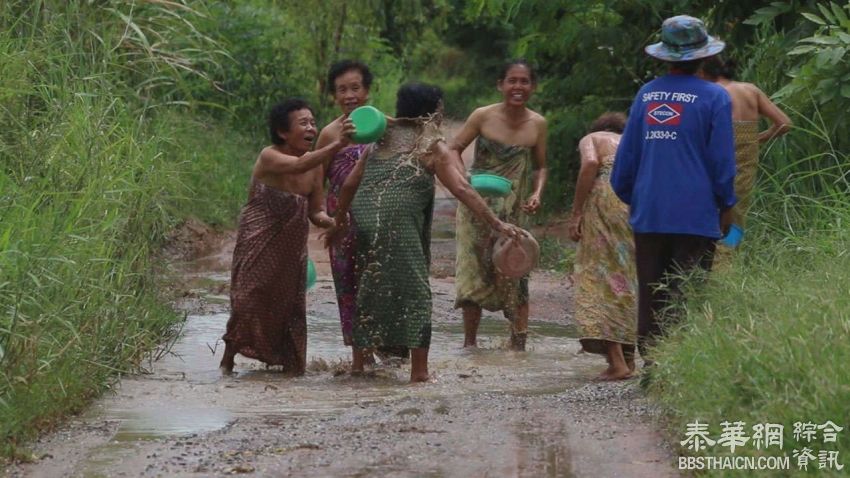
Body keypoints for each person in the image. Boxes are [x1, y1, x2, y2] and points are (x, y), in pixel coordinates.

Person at [327, 83, 520, 382]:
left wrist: (339, 221)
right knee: (416, 293)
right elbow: (461, 188)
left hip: (365, 219)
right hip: (398, 223)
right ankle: (420, 372)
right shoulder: (431, 143)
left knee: (369, 285)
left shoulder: (379, 139)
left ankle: (358, 366)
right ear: (434, 112)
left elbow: (351, 183)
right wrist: (496, 222)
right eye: (441, 108)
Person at [610, 15, 736, 362]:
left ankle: (651, 363)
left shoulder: (647, 95)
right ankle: (680, 364)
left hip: (649, 212)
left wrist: (637, 200)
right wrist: (726, 205)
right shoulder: (715, 98)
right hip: (696, 215)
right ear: (704, 56)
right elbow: (722, 162)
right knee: (687, 291)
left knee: (652, 291)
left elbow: (625, 163)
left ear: (664, 57)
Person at [219, 98, 355, 375]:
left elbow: (315, 211)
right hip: (257, 240)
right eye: (303, 123)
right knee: (248, 298)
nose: (311, 128)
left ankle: (291, 368)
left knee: (290, 307)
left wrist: (332, 222)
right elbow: (295, 167)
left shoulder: (316, 167)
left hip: (291, 248)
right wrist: (337, 145)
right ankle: (228, 360)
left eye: (313, 123)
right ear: (283, 132)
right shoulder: (269, 156)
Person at [448, 59, 548, 351]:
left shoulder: (538, 124)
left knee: (516, 271)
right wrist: (463, 179)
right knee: (473, 272)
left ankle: (518, 346)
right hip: (476, 208)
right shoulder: (482, 116)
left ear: (533, 86)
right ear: (501, 85)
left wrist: (537, 193)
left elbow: (541, 167)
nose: (518, 87)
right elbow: (454, 149)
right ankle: (469, 346)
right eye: (512, 81)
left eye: (524, 81)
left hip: (513, 210)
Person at [567, 112, 637, 380]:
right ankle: (630, 360)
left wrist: (576, 212)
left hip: (605, 201)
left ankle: (616, 362)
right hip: (633, 205)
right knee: (627, 278)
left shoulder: (592, 138)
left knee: (600, 276)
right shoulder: (631, 142)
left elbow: (590, 163)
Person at [315, 60, 374, 349]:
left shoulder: (382, 126)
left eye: (355, 88)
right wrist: (321, 217)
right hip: (343, 225)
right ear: (334, 96)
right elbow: (317, 179)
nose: (349, 95)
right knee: (348, 289)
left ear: (367, 92)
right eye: (342, 90)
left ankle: (389, 350)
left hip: (379, 221)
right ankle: (359, 359)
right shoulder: (328, 134)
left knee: (380, 284)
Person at [700, 55, 792, 231]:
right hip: (747, 163)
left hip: (716, 161)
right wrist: (755, 139)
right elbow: (784, 124)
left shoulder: (711, 93)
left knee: (713, 206)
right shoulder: (751, 90)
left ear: (702, 72)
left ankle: (714, 252)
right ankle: (732, 251)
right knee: (738, 210)